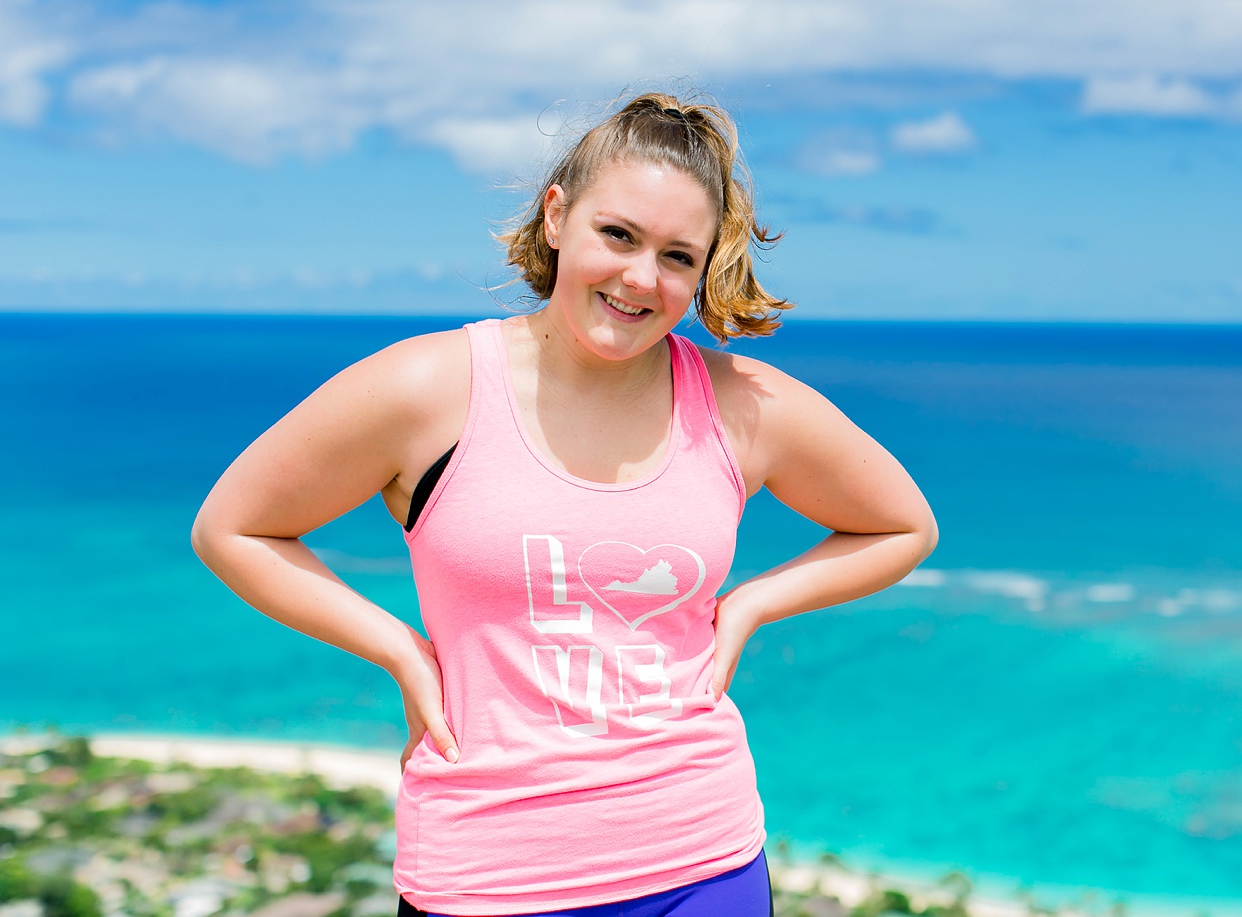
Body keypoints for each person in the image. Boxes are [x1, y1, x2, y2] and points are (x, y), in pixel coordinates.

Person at [191, 92, 938, 917]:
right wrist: (403, 651)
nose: (640, 278)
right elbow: (235, 527)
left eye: (678, 256)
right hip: (485, 871)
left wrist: (751, 606)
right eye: (617, 235)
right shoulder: (427, 388)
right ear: (556, 216)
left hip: (702, 858)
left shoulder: (740, 404)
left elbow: (902, 524)